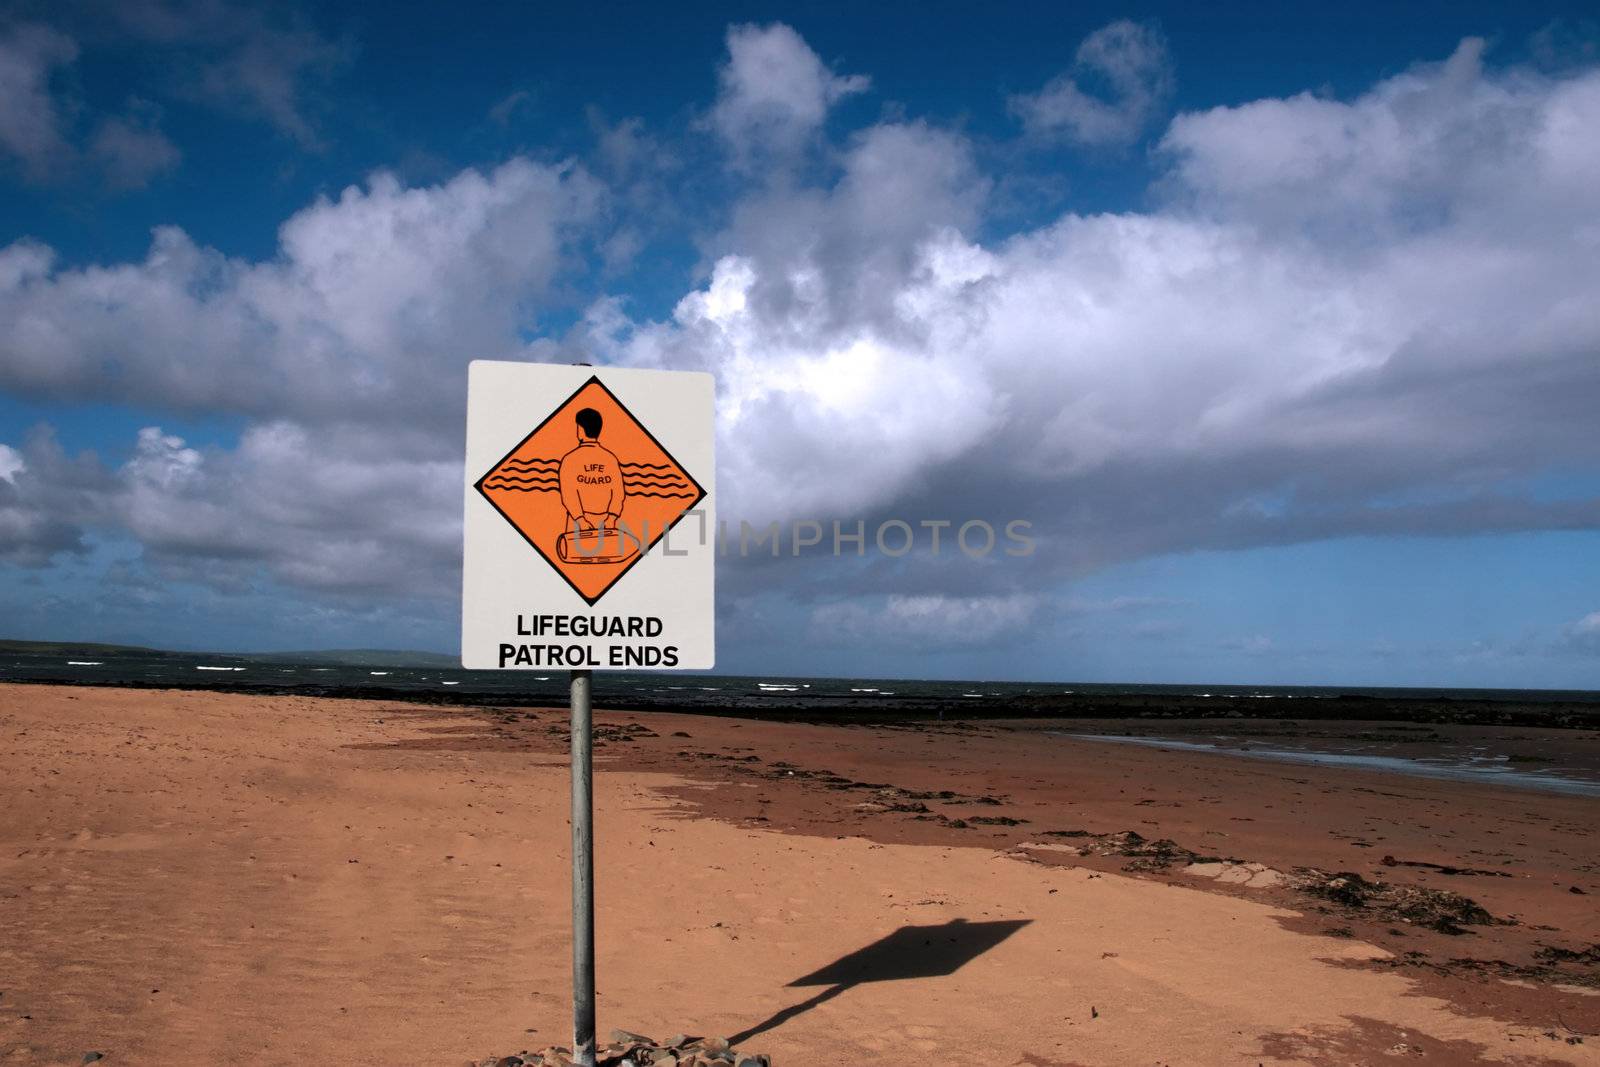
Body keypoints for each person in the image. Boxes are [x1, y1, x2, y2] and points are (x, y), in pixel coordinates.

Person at [558, 407, 625, 534]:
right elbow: (618, 493)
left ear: (580, 430)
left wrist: (580, 520)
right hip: (606, 523)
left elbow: (569, 494)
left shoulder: (570, 459)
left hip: (577, 523)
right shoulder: (610, 458)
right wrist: (611, 518)